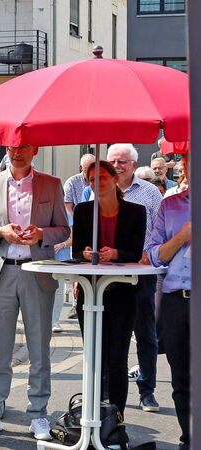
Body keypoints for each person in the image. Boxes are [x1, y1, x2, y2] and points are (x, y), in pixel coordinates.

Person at [0, 143, 68, 440]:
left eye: (23, 147)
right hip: (0, 271)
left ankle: (38, 414)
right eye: (13, 147)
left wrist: (41, 234)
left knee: (39, 347)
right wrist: (0, 232)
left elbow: (63, 229)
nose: (17, 152)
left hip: (36, 271)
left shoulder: (51, 184)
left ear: (34, 149)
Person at [89, 144, 165, 413]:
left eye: (122, 161)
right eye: (112, 161)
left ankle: (147, 391)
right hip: (102, 276)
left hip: (139, 272)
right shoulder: (95, 189)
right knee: (107, 336)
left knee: (145, 333)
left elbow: (159, 230)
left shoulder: (150, 192)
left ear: (134, 164)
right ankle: (107, 394)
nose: (117, 166)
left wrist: (149, 256)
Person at [71, 162, 146, 415]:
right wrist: (84, 253)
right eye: (91, 179)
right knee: (93, 358)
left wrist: (115, 253)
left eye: (102, 177)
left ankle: (117, 418)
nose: (97, 182)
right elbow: (75, 252)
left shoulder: (136, 211)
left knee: (117, 359)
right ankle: (92, 415)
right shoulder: (83, 211)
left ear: (115, 179)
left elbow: (135, 253)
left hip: (122, 293)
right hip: (90, 291)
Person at [144, 167, 190, 450]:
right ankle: (189, 437)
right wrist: (182, 237)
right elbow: (152, 255)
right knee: (181, 377)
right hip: (177, 301)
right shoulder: (170, 205)